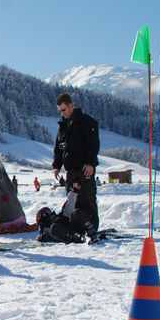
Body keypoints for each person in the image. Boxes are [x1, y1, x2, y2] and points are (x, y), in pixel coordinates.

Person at [52, 93, 100, 234]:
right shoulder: (63, 126)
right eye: (60, 110)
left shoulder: (86, 122)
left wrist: (91, 163)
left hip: (85, 170)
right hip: (70, 172)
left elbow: (93, 144)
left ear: (71, 106)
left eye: (64, 109)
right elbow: (59, 148)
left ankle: (91, 227)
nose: (62, 113)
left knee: (87, 200)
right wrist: (56, 165)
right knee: (72, 202)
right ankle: (76, 228)